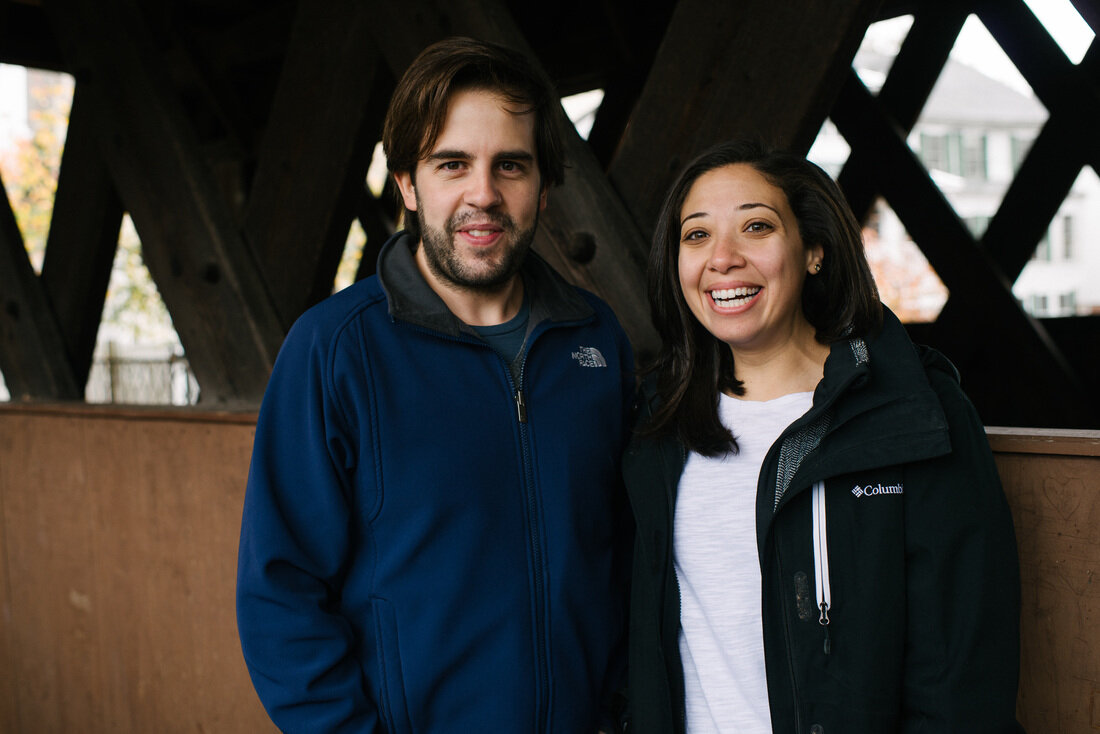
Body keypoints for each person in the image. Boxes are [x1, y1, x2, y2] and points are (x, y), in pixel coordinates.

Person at [236, 37, 634, 733]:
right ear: (409, 186)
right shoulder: (335, 348)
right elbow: (281, 592)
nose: (483, 194)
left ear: (543, 188)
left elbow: (631, 557)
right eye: (453, 164)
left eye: (510, 165)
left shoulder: (595, 340)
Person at [623, 140, 1023, 733]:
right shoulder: (657, 420)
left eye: (756, 227)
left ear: (813, 249)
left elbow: (964, 670)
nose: (723, 258)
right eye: (696, 235)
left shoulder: (911, 409)